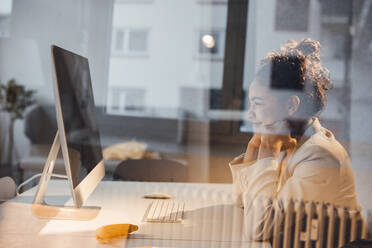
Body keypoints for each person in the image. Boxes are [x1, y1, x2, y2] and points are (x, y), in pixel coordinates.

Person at [229, 38, 360, 240]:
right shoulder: (290, 139)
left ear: (291, 106)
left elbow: (259, 228)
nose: (250, 114)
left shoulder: (320, 156)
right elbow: (243, 203)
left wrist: (268, 154)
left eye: (258, 104)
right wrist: (254, 150)